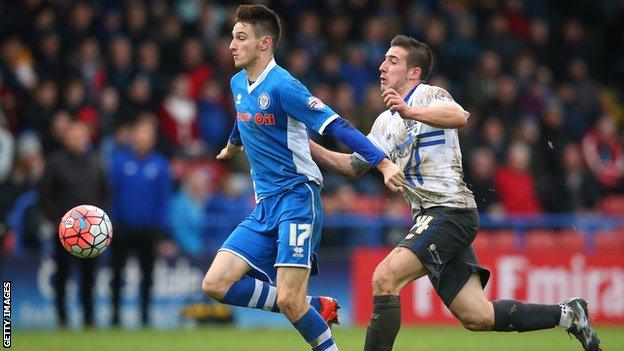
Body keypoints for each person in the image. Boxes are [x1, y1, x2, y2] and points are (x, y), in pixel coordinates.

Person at [309, 35, 601, 351]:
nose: (382, 66)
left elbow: (460, 117)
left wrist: (411, 111)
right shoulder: (384, 123)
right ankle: (569, 315)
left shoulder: (429, 95)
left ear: (413, 73)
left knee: (384, 278)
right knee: (478, 316)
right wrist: (304, 145)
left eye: (393, 61)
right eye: (384, 59)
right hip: (431, 219)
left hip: (450, 211)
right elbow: (353, 166)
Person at [200, 5, 404, 351]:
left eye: (240, 37)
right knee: (215, 284)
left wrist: (383, 164)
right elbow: (244, 113)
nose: (231, 45)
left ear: (265, 43)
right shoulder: (237, 82)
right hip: (265, 206)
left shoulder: (284, 87)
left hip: (297, 198)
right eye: (232, 37)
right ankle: (315, 305)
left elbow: (336, 124)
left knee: (291, 303)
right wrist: (233, 144)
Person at [39, 121, 109, 328]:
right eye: (73, 136)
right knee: (62, 276)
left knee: (89, 279)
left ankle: (89, 319)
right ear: (66, 138)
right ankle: (62, 320)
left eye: (81, 136)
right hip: (64, 232)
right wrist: (56, 221)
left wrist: (101, 222)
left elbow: (105, 193)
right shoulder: (55, 162)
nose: (77, 140)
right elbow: (45, 194)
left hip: (92, 235)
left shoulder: (96, 161)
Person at [109, 113, 172, 327]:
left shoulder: (160, 165)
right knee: (116, 275)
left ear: (152, 139)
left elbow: (164, 200)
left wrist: (163, 232)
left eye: (147, 135)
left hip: (148, 230)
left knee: (148, 277)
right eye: (140, 135)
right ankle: (115, 317)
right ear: (133, 137)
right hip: (122, 228)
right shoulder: (119, 162)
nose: (143, 139)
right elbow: (112, 194)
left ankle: (145, 318)